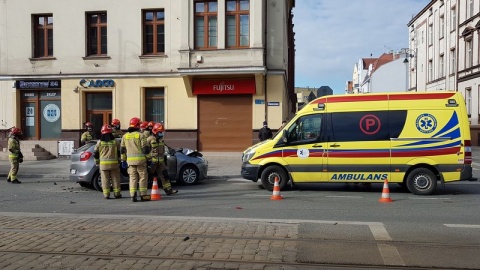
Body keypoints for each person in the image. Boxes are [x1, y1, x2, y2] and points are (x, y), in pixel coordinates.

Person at [121, 117, 151, 202]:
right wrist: (149, 159)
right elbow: (145, 149)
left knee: (133, 178)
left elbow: (122, 150)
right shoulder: (141, 135)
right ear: (138, 125)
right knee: (143, 177)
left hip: (130, 162)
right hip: (141, 161)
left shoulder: (125, 136)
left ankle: (133, 195)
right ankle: (143, 195)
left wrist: (123, 160)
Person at [147, 122, 178, 195]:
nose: (161, 134)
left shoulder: (161, 140)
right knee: (147, 177)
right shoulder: (149, 139)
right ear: (155, 131)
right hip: (152, 163)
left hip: (161, 162)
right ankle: (143, 193)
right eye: (160, 132)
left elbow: (163, 151)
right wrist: (148, 161)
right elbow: (145, 151)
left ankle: (169, 190)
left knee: (165, 176)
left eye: (162, 132)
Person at [94, 124, 122, 199]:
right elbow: (119, 152)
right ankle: (117, 194)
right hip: (114, 164)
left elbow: (96, 154)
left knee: (105, 180)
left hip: (103, 165)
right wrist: (120, 160)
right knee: (115, 179)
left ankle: (106, 194)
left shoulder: (99, 142)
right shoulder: (115, 141)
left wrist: (97, 162)